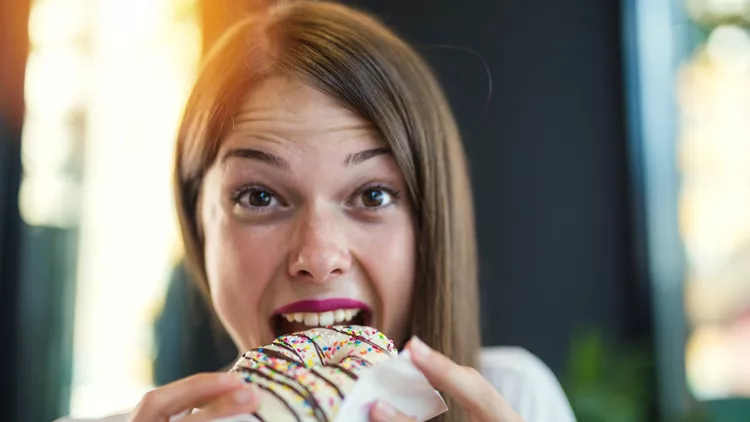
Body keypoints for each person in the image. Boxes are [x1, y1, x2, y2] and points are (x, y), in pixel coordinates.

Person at [58, 1, 576, 421]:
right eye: (259, 196)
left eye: (372, 195)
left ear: (430, 222)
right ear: (197, 224)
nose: (319, 256)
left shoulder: (517, 398)